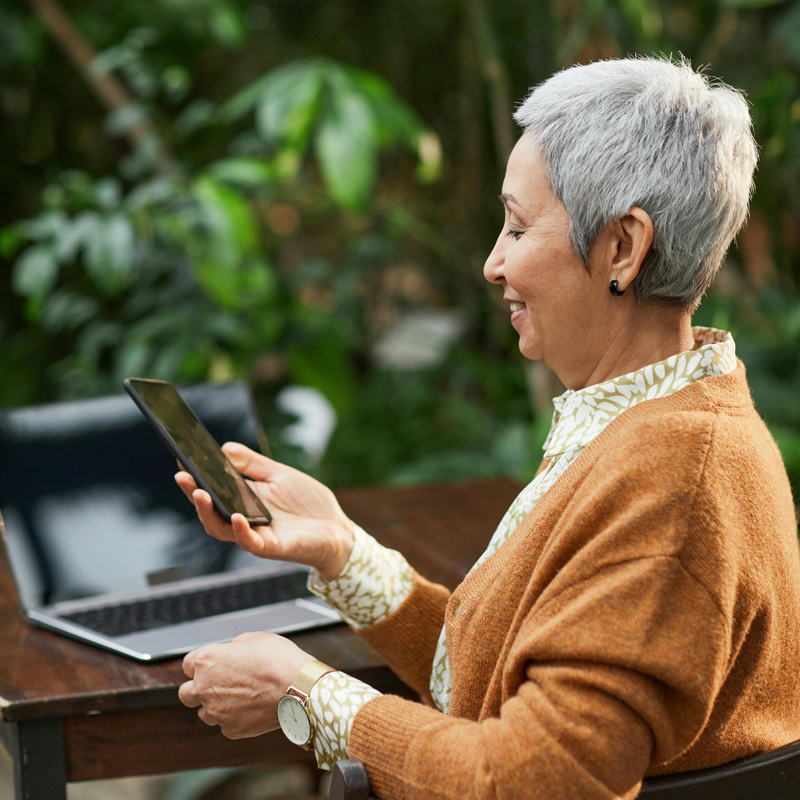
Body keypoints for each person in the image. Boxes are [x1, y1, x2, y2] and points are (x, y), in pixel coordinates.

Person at [175, 56, 800, 800]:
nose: (491, 263)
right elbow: (499, 669)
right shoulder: (651, 423)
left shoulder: (674, 479)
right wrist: (343, 552)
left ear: (623, 248)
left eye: (517, 225)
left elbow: (532, 780)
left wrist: (307, 694)